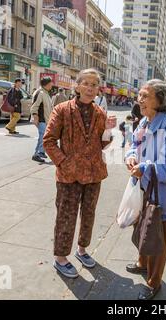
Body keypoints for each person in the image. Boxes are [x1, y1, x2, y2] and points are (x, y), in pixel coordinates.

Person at [43, 68, 117, 279]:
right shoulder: (62, 110)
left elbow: (103, 144)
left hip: (94, 173)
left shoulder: (100, 113)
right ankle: (61, 258)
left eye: (94, 85)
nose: (90, 88)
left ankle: (82, 249)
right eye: (86, 83)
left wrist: (109, 130)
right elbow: (48, 141)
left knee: (89, 214)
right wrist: (64, 163)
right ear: (77, 86)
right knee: (66, 215)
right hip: (68, 175)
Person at [125, 79, 166, 300]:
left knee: (158, 237)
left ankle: (154, 282)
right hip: (145, 188)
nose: (140, 100)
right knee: (143, 227)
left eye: (145, 96)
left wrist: (143, 168)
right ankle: (143, 263)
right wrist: (131, 156)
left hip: (164, 193)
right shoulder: (145, 121)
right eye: (140, 95)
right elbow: (133, 144)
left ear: (160, 100)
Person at [30, 76, 54, 163]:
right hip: (41, 119)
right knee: (43, 137)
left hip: (46, 119)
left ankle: (42, 152)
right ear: (46, 84)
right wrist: (35, 116)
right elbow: (34, 106)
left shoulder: (46, 93)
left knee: (45, 137)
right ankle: (37, 154)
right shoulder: (40, 93)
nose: (52, 84)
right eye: (51, 83)